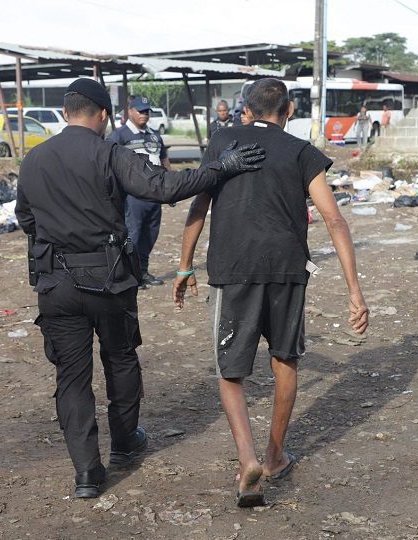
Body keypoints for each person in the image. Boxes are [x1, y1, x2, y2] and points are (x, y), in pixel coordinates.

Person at [15, 78, 265, 499]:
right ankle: (126, 441)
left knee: (72, 377)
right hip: (108, 280)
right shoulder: (109, 153)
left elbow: (26, 217)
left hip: (55, 283)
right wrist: (222, 167)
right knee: (120, 358)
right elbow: (163, 188)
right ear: (103, 115)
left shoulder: (34, 159)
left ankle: (87, 475)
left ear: (63, 114)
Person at [172, 78, 369, 508]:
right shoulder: (301, 152)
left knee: (231, 370)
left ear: (245, 108)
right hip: (287, 269)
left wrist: (185, 266)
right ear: (290, 110)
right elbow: (334, 220)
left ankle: (247, 459)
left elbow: (199, 206)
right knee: (285, 359)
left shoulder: (223, 141)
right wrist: (355, 291)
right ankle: (274, 454)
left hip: (233, 268)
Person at [108, 96, 171, 288]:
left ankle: (143, 271)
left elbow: (164, 159)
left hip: (155, 194)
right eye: (140, 111)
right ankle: (131, 275)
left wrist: (170, 188)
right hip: (133, 196)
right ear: (130, 112)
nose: (145, 114)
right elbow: (108, 162)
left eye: (147, 111)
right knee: (133, 235)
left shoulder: (154, 135)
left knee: (150, 234)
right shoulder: (119, 135)